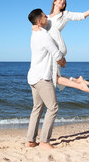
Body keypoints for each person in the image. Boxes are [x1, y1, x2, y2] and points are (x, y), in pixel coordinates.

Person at [33, 0, 89, 95]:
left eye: (64, 2)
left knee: (54, 78)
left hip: (57, 46)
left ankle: (80, 86)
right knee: (52, 76)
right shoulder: (46, 17)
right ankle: (78, 80)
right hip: (49, 48)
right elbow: (37, 24)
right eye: (61, 0)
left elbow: (82, 16)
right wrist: (34, 27)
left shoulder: (64, 14)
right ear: (54, 2)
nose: (63, 2)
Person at [26, 8, 65, 149]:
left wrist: (34, 25)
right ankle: (44, 141)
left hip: (32, 77)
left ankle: (31, 140)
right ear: (39, 21)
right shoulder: (43, 35)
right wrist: (63, 61)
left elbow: (35, 26)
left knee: (37, 108)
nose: (46, 17)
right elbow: (57, 54)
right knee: (53, 107)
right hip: (42, 77)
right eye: (44, 16)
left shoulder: (34, 33)